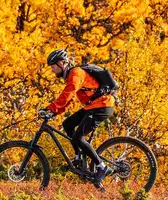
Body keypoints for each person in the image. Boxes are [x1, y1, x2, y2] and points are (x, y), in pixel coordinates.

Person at [39, 49, 115, 187]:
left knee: (78, 138)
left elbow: (67, 95)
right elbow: (69, 99)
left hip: (102, 106)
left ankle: (102, 167)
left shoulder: (76, 73)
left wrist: (50, 108)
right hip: (92, 107)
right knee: (68, 124)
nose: (52, 70)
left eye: (53, 66)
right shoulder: (71, 76)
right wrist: (54, 112)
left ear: (62, 63)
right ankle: (78, 157)